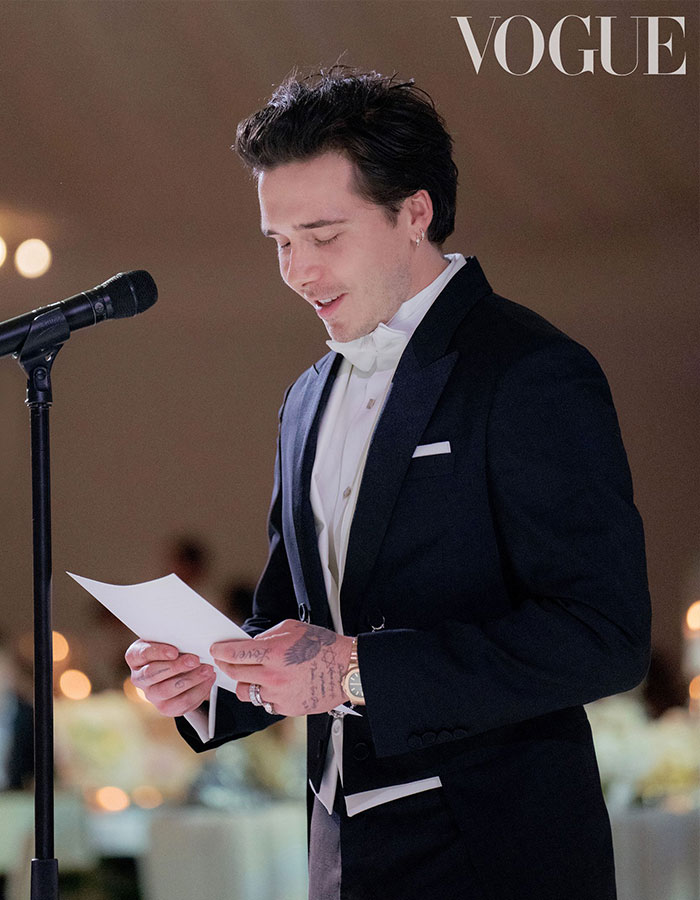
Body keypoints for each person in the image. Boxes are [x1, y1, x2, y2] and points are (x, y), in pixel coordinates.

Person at [126, 68, 651, 899]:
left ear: (415, 212)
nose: (297, 270)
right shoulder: (306, 397)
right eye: (279, 241)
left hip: (498, 854)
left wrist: (355, 671)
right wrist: (214, 680)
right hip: (338, 857)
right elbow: (293, 621)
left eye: (322, 234)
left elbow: (603, 633)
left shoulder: (529, 371)